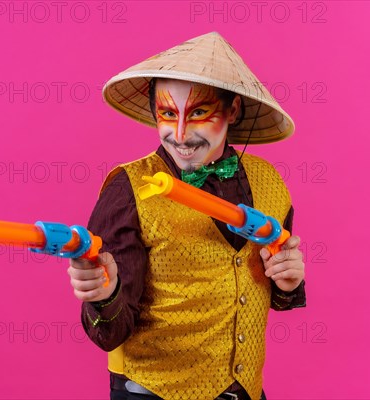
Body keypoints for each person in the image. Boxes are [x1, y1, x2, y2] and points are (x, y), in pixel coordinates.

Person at [68, 32, 306, 400]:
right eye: (167, 114)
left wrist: (288, 281)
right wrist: (105, 294)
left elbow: (273, 289)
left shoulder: (270, 182)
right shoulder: (127, 190)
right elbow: (110, 332)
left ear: (233, 111)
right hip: (153, 393)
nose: (180, 135)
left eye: (198, 113)